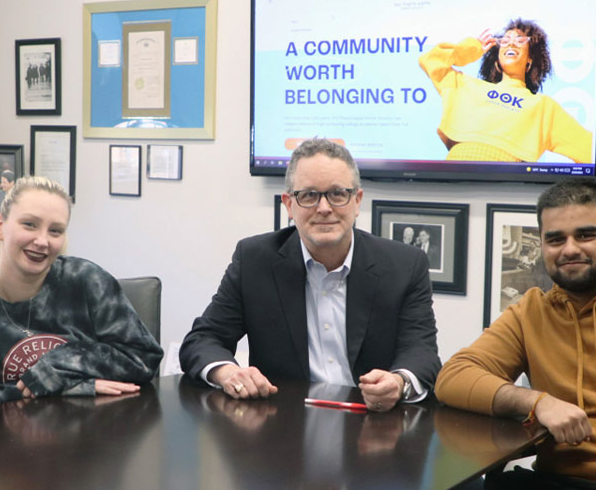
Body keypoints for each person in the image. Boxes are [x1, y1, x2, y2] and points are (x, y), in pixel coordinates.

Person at [179, 138, 440, 410]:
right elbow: (203, 339)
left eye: (337, 194)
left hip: (373, 422)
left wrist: (398, 383)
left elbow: (421, 352)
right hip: (283, 423)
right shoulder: (255, 260)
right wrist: (230, 373)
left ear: (357, 201)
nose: (324, 208)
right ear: (289, 205)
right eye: (309, 195)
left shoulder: (404, 265)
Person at [435, 180, 596, 487]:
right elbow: (453, 377)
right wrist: (539, 403)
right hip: (555, 479)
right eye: (555, 239)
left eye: (585, 235)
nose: (570, 249)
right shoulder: (532, 311)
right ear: (542, 246)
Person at [0, 176, 163, 406]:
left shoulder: (87, 280)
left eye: (55, 230)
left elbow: (144, 357)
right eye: (29, 224)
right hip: (0, 438)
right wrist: (65, 387)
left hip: (91, 434)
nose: (42, 241)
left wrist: (59, 364)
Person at [418, 18, 592, 163]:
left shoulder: (543, 107)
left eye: (519, 40)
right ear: (496, 59)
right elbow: (431, 60)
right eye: (505, 41)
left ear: (530, 59)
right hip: (454, 181)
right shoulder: (466, 86)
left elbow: (590, 149)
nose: (511, 44)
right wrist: (471, 49)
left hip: (504, 189)